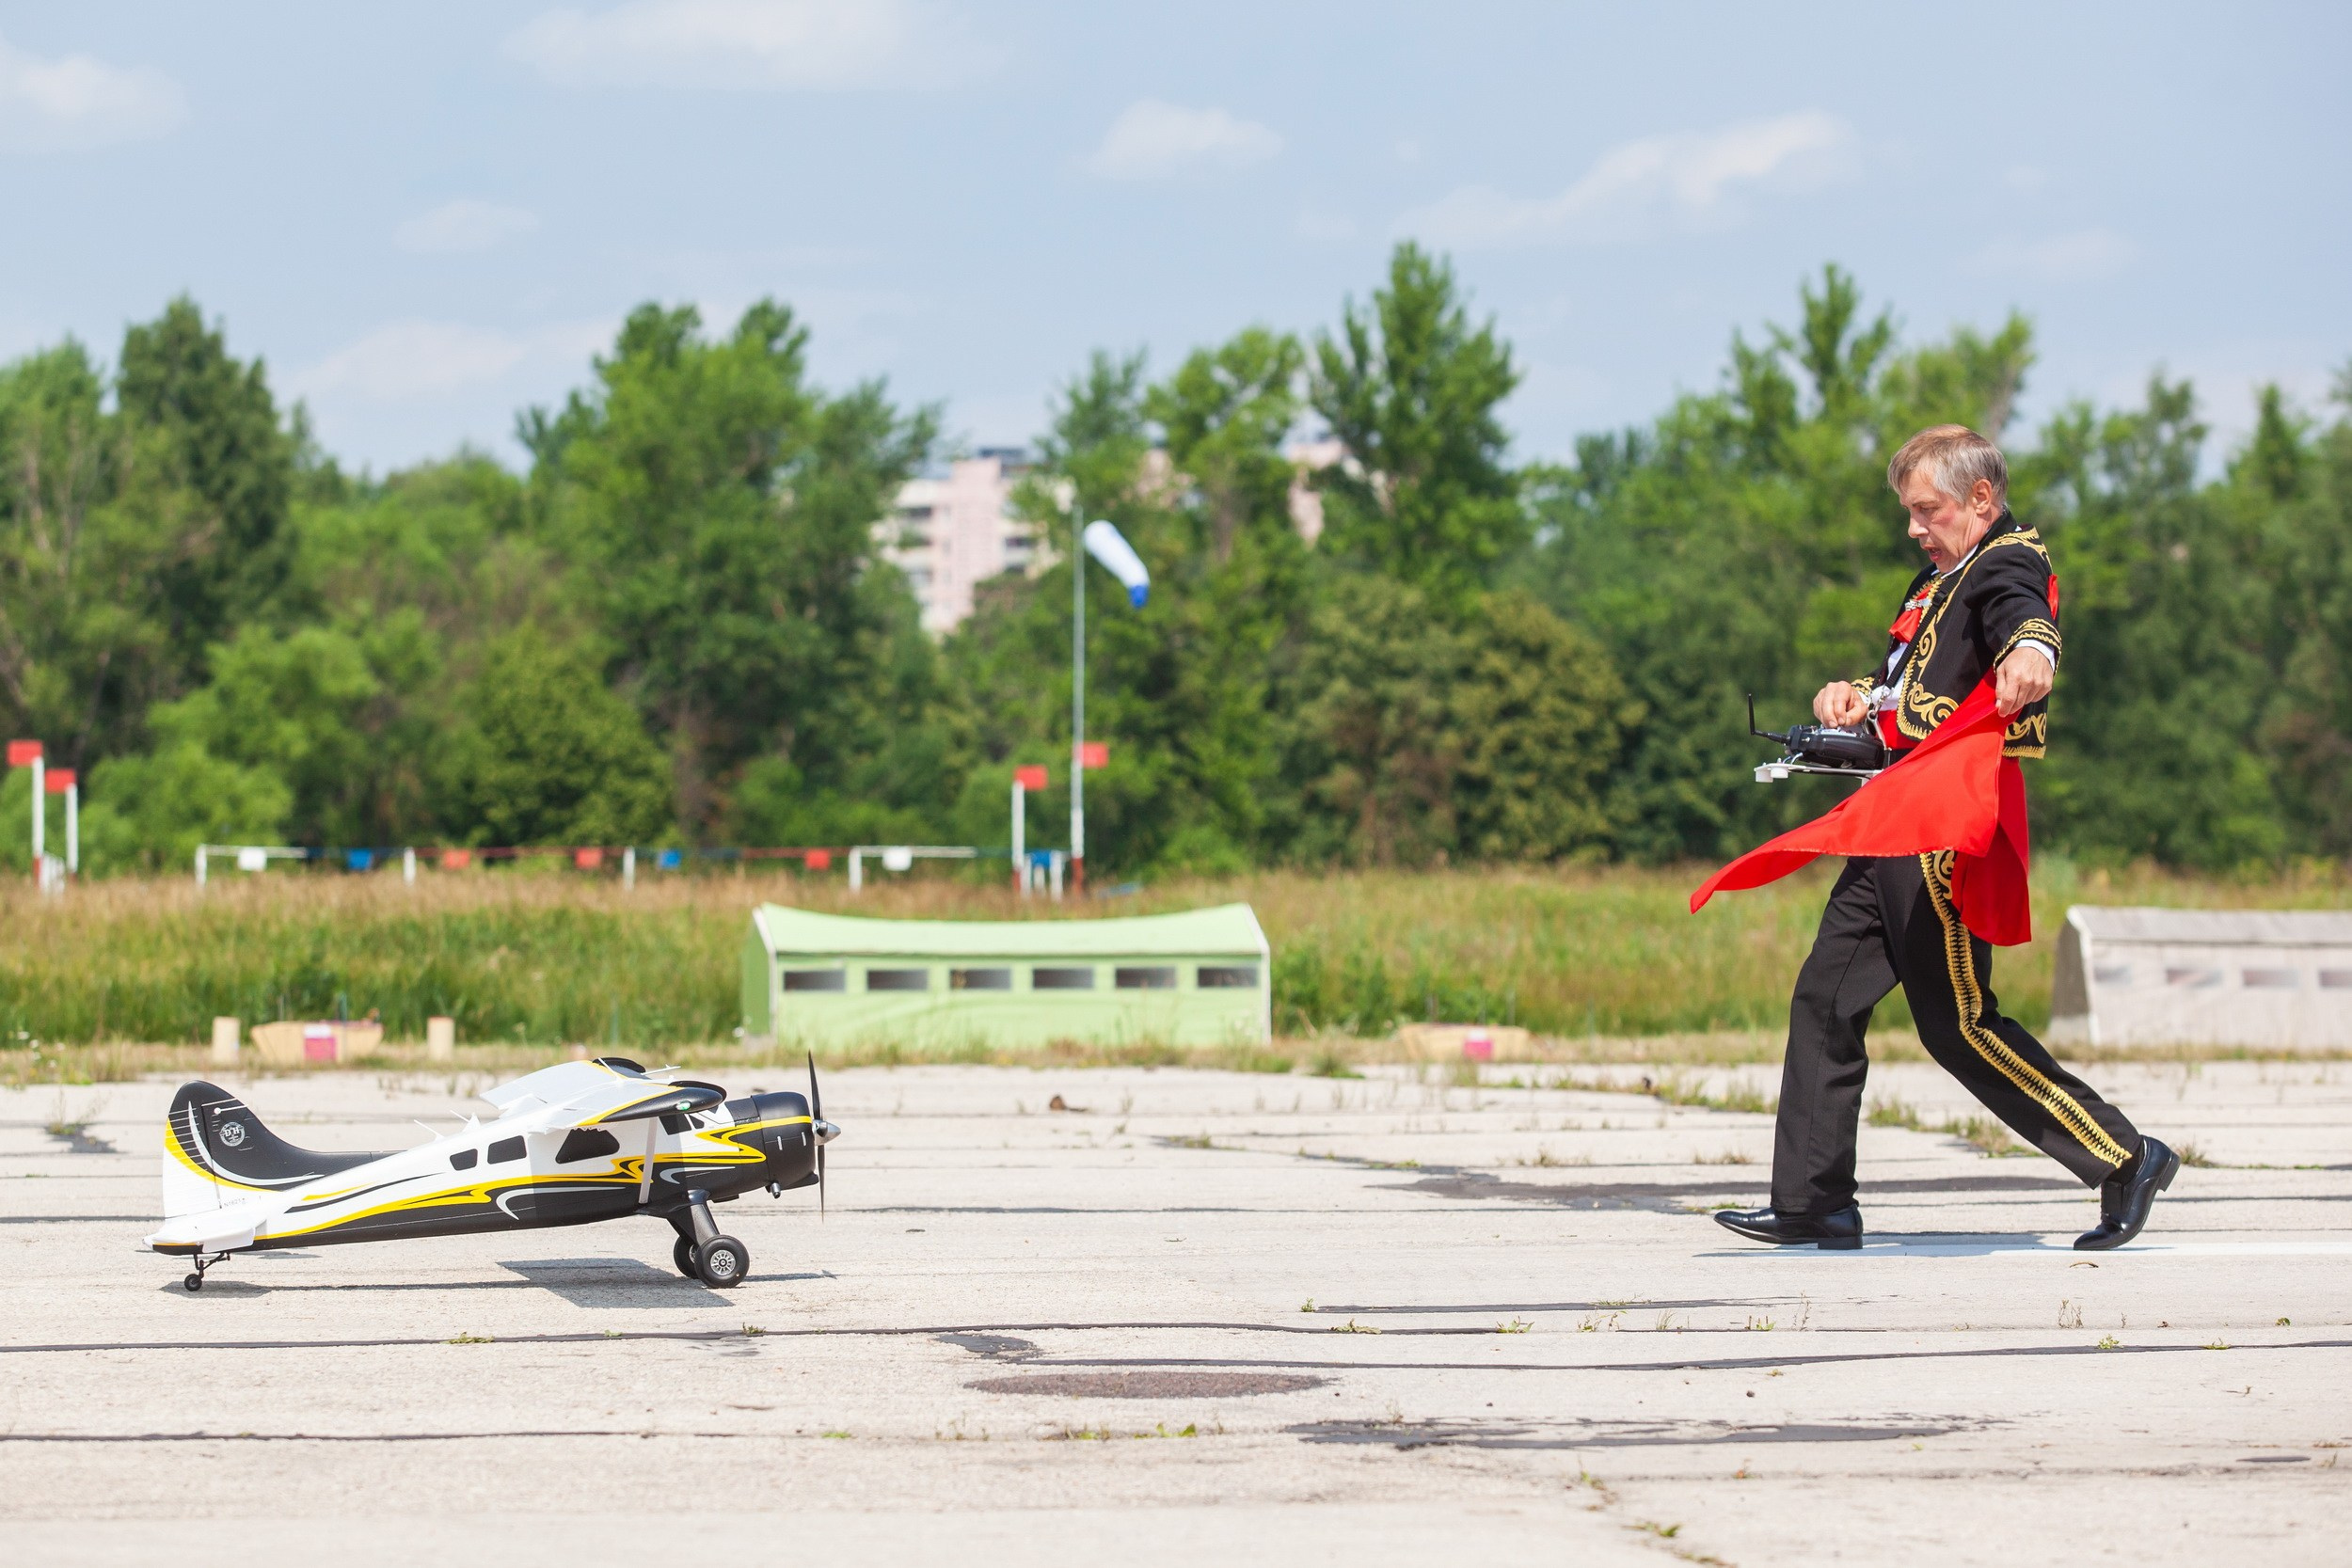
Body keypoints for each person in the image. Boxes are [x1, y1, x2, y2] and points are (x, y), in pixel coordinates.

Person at [1715, 425, 2177, 1253]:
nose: (1913, 528)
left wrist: (2034, 650)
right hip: (1896, 812)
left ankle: (2124, 1156)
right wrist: (1853, 695)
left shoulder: (2004, 560)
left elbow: (2025, 620)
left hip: (1940, 825)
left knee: (1959, 1023)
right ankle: (1815, 1202)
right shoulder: (1939, 575)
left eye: (1926, 510)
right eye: (1909, 513)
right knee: (1825, 998)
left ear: (1980, 500)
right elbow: (1908, 684)